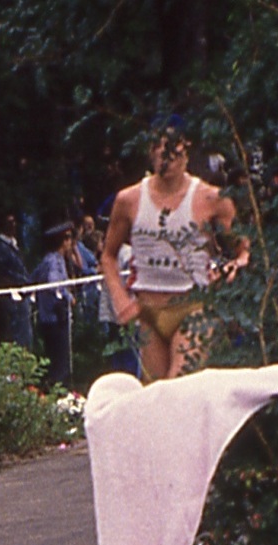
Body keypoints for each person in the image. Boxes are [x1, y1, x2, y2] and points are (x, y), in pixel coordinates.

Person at [100, 116, 249, 380]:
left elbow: (243, 249)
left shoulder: (211, 198)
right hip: (148, 310)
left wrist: (234, 267)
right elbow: (108, 256)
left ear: (186, 150)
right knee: (157, 396)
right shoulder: (129, 200)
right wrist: (119, 298)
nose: (164, 156)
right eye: (157, 148)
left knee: (178, 389)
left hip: (192, 308)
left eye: (171, 148)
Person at [31, 222, 77, 386]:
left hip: (48, 317)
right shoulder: (54, 262)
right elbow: (53, 283)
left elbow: (33, 277)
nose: (71, 243)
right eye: (69, 238)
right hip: (55, 317)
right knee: (60, 361)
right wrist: (67, 296)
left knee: (54, 359)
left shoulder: (48, 260)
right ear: (63, 241)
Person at [0, 214, 34, 348]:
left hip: (24, 295)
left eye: (15, 222)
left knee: (26, 334)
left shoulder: (14, 245)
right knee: (17, 335)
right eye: (10, 222)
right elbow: (3, 273)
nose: (13, 225)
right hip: (13, 298)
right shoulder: (0, 248)